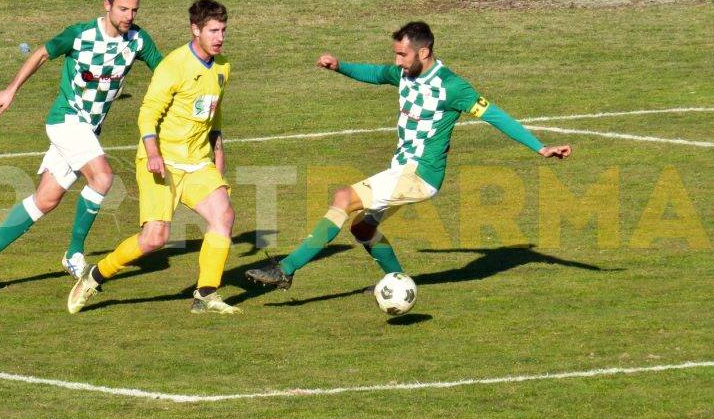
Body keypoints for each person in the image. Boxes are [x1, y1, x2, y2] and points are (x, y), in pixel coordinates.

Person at [245, 21, 572, 290]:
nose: (398, 62)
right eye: (396, 55)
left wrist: (540, 147)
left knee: (344, 197)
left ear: (424, 52)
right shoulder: (404, 73)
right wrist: (340, 66)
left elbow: (495, 115)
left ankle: (286, 269)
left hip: (420, 176)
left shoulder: (453, 87)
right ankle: (398, 281)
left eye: (403, 55)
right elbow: (376, 73)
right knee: (361, 229)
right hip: (401, 171)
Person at [0, 0, 162, 292]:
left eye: (134, 10)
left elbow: (165, 70)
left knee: (45, 199)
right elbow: (42, 54)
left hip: (88, 130)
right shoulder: (81, 34)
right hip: (66, 121)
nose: (128, 16)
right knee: (102, 177)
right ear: (108, 5)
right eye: (123, 8)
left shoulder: (138, 41)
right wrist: (10, 90)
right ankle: (74, 254)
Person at [67, 0, 240, 315]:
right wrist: (153, 154)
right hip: (160, 160)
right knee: (154, 238)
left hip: (197, 162)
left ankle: (205, 294)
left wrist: (218, 160)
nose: (219, 37)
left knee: (224, 216)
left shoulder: (222, 68)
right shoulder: (172, 67)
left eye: (223, 30)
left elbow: (214, 119)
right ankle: (94, 276)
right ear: (195, 30)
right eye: (213, 30)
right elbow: (147, 115)